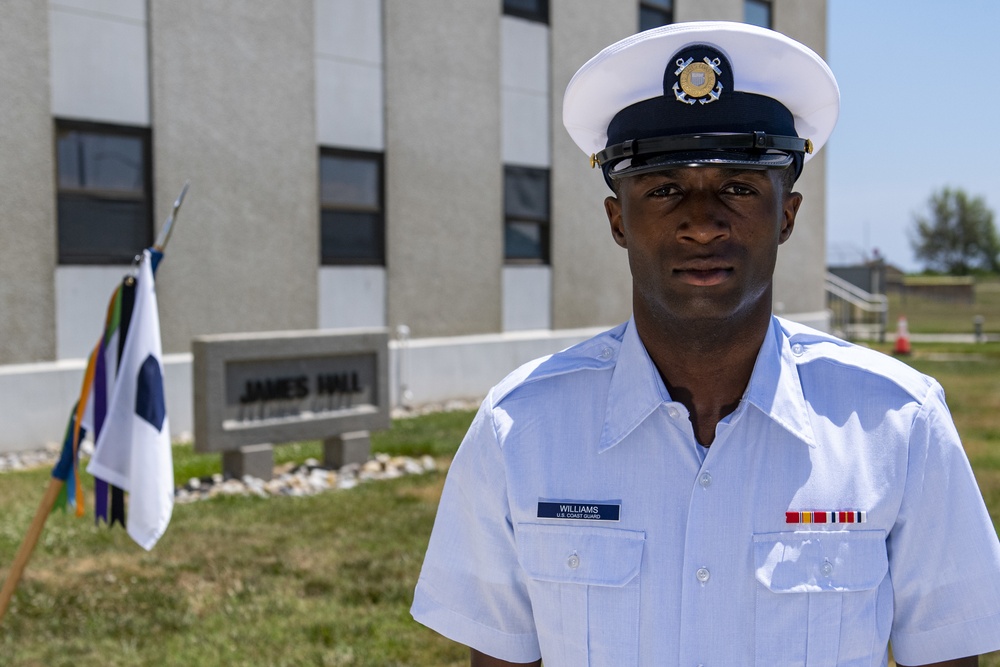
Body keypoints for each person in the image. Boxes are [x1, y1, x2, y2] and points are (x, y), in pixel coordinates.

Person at [411, 21, 1000, 666]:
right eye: (664, 189)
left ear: (787, 215)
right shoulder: (521, 428)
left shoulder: (896, 424)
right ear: (617, 220)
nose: (701, 222)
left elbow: (946, 653)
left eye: (739, 187)